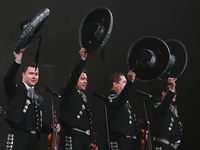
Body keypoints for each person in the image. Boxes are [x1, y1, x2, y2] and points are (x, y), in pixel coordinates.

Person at [3, 50, 60, 150]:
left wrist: (51, 128)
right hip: (18, 137)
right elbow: (7, 80)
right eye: (31, 73)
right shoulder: (16, 89)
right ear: (23, 74)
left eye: (36, 74)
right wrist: (17, 61)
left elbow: (38, 123)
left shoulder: (39, 98)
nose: (34, 76)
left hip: (33, 140)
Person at [58, 48, 98, 150]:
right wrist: (82, 60)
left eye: (86, 79)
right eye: (82, 79)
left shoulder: (83, 97)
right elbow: (72, 80)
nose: (85, 82)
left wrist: (88, 142)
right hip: (72, 137)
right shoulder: (68, 91)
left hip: (83, 140)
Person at [105, 70, 142, 150]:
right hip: (120, 141)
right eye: (124, 82)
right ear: (115, 84)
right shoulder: (111, 95)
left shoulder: (123, 100)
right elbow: (120, 100)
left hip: (130, 141)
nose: (126, 84)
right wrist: (130, 82)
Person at [152, 78, 183, 150]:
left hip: (171, 146)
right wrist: (171, 90)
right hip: (162, 145)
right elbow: (163, 107)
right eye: (171, 91)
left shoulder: (173, 109)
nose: (174, 94)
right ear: (163, 93)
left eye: (175, 92)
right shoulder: (157, 103)